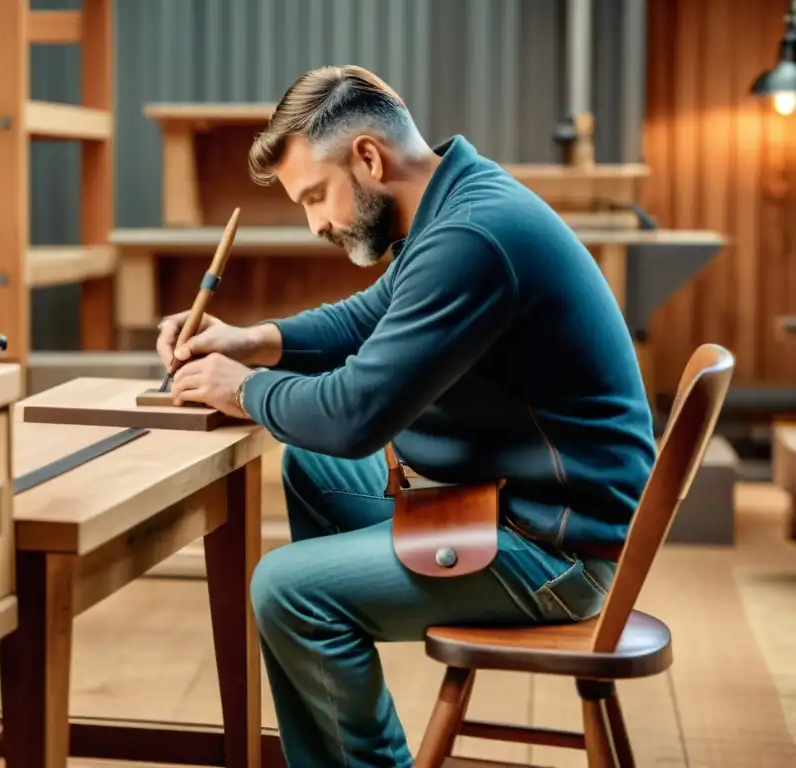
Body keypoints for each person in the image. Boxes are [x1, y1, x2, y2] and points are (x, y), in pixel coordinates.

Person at [155, 65, 656, 768]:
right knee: (315, 464)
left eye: (315, 196)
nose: (317, 223)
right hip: (524, 509)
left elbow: (356, 414)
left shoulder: (473, 239)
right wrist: (254, 340)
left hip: (558, 552)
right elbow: (364, 319)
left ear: (367, 156)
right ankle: (338, 725)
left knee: (285, 589)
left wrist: (241, 389)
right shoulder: (457, 205)